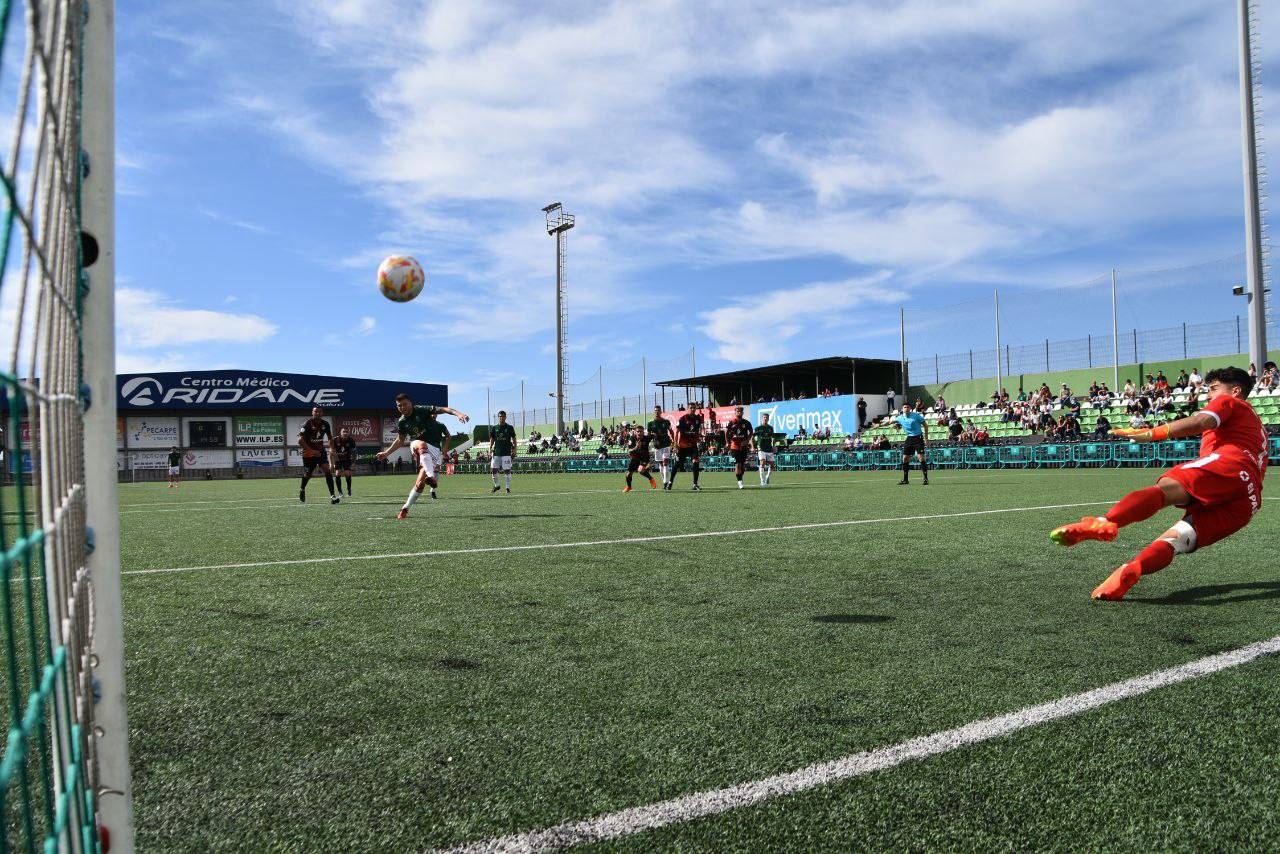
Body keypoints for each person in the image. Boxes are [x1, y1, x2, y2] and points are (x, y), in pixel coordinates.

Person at [1050, 367, 1266, 600]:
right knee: (1174, 540)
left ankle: (1106, 522)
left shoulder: (1230, 402)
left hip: (1231, 466)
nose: (1208, 395)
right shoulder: (1256, 424)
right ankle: (1131, 570)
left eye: (1213, 389)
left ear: (1235, 391)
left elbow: (1201, 421)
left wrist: (1152, 433)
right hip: (1248, 501)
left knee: (1166, 490)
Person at [375, 394, 470, 519]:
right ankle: (432, 477)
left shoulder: (421, 410)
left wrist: (459, 414)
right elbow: (400, 440)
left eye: (404, 404)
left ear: (410, 403)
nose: (402, 407)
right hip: (417, 445)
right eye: (399, 406)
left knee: (420, 484)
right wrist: (386, 453)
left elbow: (444, 409)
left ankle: (405, 509)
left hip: (435, 450)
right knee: (421, 444)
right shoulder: (402, 422)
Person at [298, 406, 339, 504]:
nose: (318, 413)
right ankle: (302, 489)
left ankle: (332, 496)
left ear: (322, 413)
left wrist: (331, 448)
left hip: (321, 452)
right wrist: (311, 451)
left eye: (320, 411)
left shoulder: (325, 424)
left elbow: (330, 438)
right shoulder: (307, 424)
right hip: (308, 454)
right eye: (316, 411)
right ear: (312, 412)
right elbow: (300, 440)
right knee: (308, 474)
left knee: (327, 471)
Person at [669, 401, 704, 491]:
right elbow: (677, 432)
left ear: (696, 409)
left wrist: (698, 437)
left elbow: (697, 430)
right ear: (688, 409)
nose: (692, 409)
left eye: (694, 408)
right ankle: (670, 482)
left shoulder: (698, 419)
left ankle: (695, 484)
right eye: (690, 408)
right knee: (677, 464)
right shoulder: (683, 419)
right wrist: (676, 445)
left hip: (693, 445)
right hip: (683, 446)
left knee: (696, 462)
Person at [894, 403, 929, 485]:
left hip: (918, 437)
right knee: (905, 458)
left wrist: (926, 438)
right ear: (902, 409)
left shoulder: (916, 415)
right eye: (904, 407)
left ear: (910, 408)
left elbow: (925, 425)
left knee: (921, 458)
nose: (906, 408)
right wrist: (879, 425)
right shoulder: (900, 417)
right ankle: (905, 480)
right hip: (909, 438)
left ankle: (926, 479)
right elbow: (889, 422)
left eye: (908, 407)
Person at [724, 405, 754, 490]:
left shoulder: (746, 422)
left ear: (742, 413)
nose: (739, 413)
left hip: (743, 446)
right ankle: (740, 482)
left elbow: (751, 431)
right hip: (734, 446)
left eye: (741, 411)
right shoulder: (732, 422)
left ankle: (740, 477)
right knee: (738, 465)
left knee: (743, 466)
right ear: (735, 412)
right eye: (738, 411)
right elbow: (726, 432)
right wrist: (727, 442)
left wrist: (747, 440)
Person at [488, 410, 517, 494]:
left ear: (505, 417)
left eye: (503, 416)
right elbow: (492, 439)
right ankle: (497, 485)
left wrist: (515, 449)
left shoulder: (509, 427)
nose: (501, 418)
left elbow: (514, 438)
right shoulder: (494, 428)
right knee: (493, 469)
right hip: (496, 452)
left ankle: (507, 488)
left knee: (507, 470)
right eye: (500, 416)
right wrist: (490, 448)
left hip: (506, 453)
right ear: (498, 417)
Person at [623, 425, 658, 492]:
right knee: (629, 474)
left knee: (640, 470)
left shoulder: (646, 438)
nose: (639, 433)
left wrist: (656, 440)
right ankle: (629, 487)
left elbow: (654, 435)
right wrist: (636, 447)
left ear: (643, 432)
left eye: (641, 431)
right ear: (635, 432)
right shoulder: (632, 439)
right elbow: (629, 450)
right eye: (637, 431)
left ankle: (651, 479)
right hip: (635, 457)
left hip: (644, 457)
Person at [647, 405, 674, 489]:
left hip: (666, 444)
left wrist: (673, 441)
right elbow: (648, 434)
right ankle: (664, 481)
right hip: (657, 446)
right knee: (661, 464)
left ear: (661, 411)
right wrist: (652, 434)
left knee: (665, 462)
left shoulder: (666, 422)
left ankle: (666, 482)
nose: (657, 412)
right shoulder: (650, 423)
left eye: (658, 410)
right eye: (655, 410)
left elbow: (671, 431)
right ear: (654, 412)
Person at [331, 427, 357, 498]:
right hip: (338, 459)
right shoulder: (335, 440)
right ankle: (340, 492)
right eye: (343, 432)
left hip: (347, 459)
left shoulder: (351, 440)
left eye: (346, 432)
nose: (345, 433)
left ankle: (349, 490)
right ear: (340, 433)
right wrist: (332, 463)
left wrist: (354, 463)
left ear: (348, 433)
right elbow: (331, 452)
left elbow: (354, 452)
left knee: (347, 474)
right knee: (337, 473)